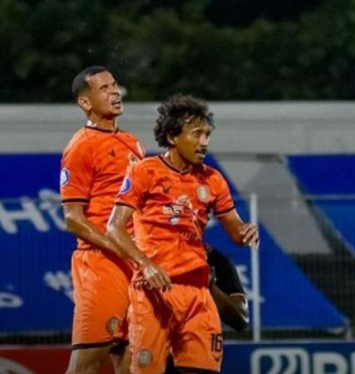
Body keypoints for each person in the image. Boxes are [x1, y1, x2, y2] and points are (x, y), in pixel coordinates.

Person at [106, 93, 258, 374]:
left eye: (207, 134)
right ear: (173, 136)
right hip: (154, 293)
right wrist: (145, 264)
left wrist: (246, 231)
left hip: (198, 294)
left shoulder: (212, 179)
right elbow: (114, 227)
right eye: (196, 134)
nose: (204, 142)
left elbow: (236, 232)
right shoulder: (144, 172)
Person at [60, 66, 144, 374]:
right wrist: (124, 248)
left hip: (133, 265)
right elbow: (73, 219)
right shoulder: (80, 146)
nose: (114, 92)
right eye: (104, 88)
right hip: (101, 265)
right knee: (87, 363)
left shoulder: (133, 142)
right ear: (85, 102)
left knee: (132, 358)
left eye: (114, 85)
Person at [164, 244, 249, 374]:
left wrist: (208, 285)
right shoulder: (145, 253)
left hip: (195, 359)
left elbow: (241, 319)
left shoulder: (215, 260)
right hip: (152, 352)